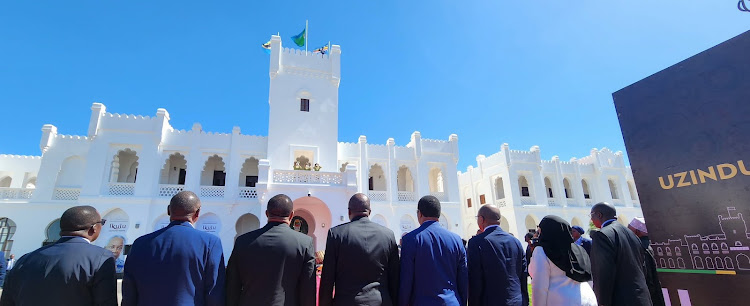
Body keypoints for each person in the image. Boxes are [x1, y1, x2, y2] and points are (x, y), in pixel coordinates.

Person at [122, 191, 225, 306]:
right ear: (197, 213)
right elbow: (214, 293)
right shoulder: (209, 243)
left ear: (168, 210)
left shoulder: (140, 243)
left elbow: (129, 292)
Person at [0, 205, 117, 305]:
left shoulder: (25, 259)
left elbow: (8, 300)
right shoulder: (100, 258)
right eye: (102, 223)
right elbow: (106, 301)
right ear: (94, 228)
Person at [226, 194, 316, 306]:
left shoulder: (243, 241)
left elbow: (231, 286)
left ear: (267, 213)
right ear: (291, 215)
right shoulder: (304, 243)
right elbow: (308, 290)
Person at [319, 193, 400, 306]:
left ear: (349, 212)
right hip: (380, 302)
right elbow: (395, 279)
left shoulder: (336, 235)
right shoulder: (388, 235)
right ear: (369, 212)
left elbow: (327, 279)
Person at [399, 195, 468, 306]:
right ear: (439, 214)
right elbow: (463, 279)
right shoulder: (456, 240)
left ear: (419, 214)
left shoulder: (410, 239)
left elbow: (406, 281)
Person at [589, 202, 651, 306]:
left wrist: (602, 302)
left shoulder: (602, 235)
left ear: (599, 215)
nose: (591, 219)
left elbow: (603, 274)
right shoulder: (631, 233)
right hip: (641, 296)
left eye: (592, 215)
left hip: (620, 299)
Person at [529, 215, 596, 306]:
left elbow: (540, 287)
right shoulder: (579, 250)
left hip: (561, 301)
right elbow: (589, 278)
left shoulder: (542, 251)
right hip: (587, 298)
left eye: (540, 230)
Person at [468, 205, 528, 306]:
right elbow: (523, 274)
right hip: (517, 301)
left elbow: (475, 279)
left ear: (481, 219)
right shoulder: (516, 242)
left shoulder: (476, 242)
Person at [628, 217, 665, 306]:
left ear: (637, 232)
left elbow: (648, 279)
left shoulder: (641, 248)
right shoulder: (653, 243)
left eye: (629, 230)